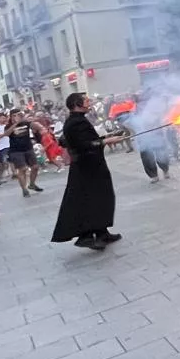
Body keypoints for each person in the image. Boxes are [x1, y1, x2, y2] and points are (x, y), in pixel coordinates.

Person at [51, 92, 124, 251]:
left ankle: (102, 232)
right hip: (87, 168)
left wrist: (107, 136)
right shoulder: (75, 122)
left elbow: (79, 140)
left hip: (91, 166)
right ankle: (85, 236)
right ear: (77, 104)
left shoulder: (77, 120)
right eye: (86, 100)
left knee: (101, 198)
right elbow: (84, 144)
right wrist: (107, 141)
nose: (89, 102)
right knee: (90, 200)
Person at [4, 112, 44, 197]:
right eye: (14, 115)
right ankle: (24, 189)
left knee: (35, 167)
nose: (16, 117)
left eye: (18, 115)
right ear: (10, 117)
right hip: (16, 150)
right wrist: (15, 124)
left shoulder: (26, 123)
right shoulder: (8, 126)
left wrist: (31, 121)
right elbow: (6, 134)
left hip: (28, 148)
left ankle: (32, 184)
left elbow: (36, 126)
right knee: (23, 169)